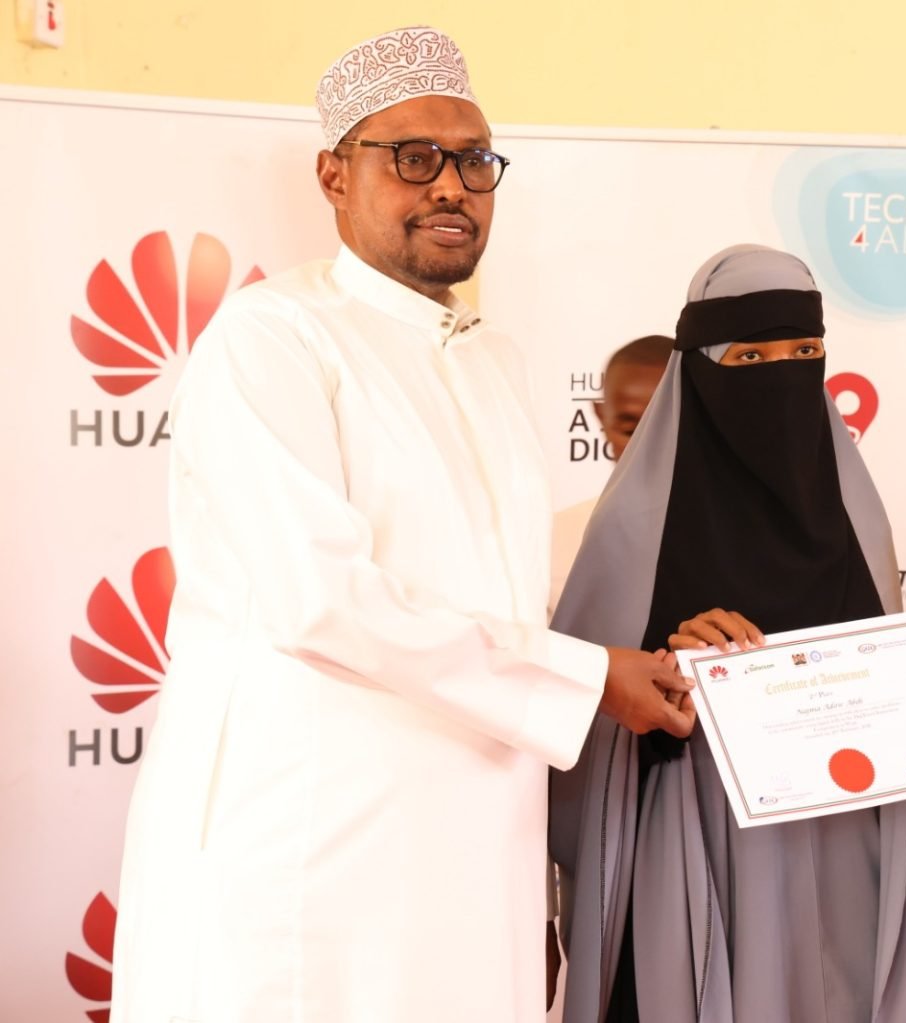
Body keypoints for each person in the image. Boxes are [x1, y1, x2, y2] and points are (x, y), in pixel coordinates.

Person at [109, 27, 693, 1023]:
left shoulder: (490, 358)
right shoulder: (273, 338)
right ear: (335, 175)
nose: (451, 187)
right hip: (319, 832)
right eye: (413, 157)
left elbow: (497, 593)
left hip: (471, 827)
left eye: (474, 161)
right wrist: (588, 678)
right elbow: (321, 599)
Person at [550, 244, 906, 1022]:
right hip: (706, 865)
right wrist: (667, 668)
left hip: (863, 849)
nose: (781, 373)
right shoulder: (627, 529)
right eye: (749, 353)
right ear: (699, 366)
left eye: (804, 351)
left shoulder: (859, 516)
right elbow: (575, 728)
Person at [550, 334, 671, 609]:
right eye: (630, 431)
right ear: (600, 415)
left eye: (668, 426)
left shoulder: (750, 539)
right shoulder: (552, 545)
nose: (647, 447)